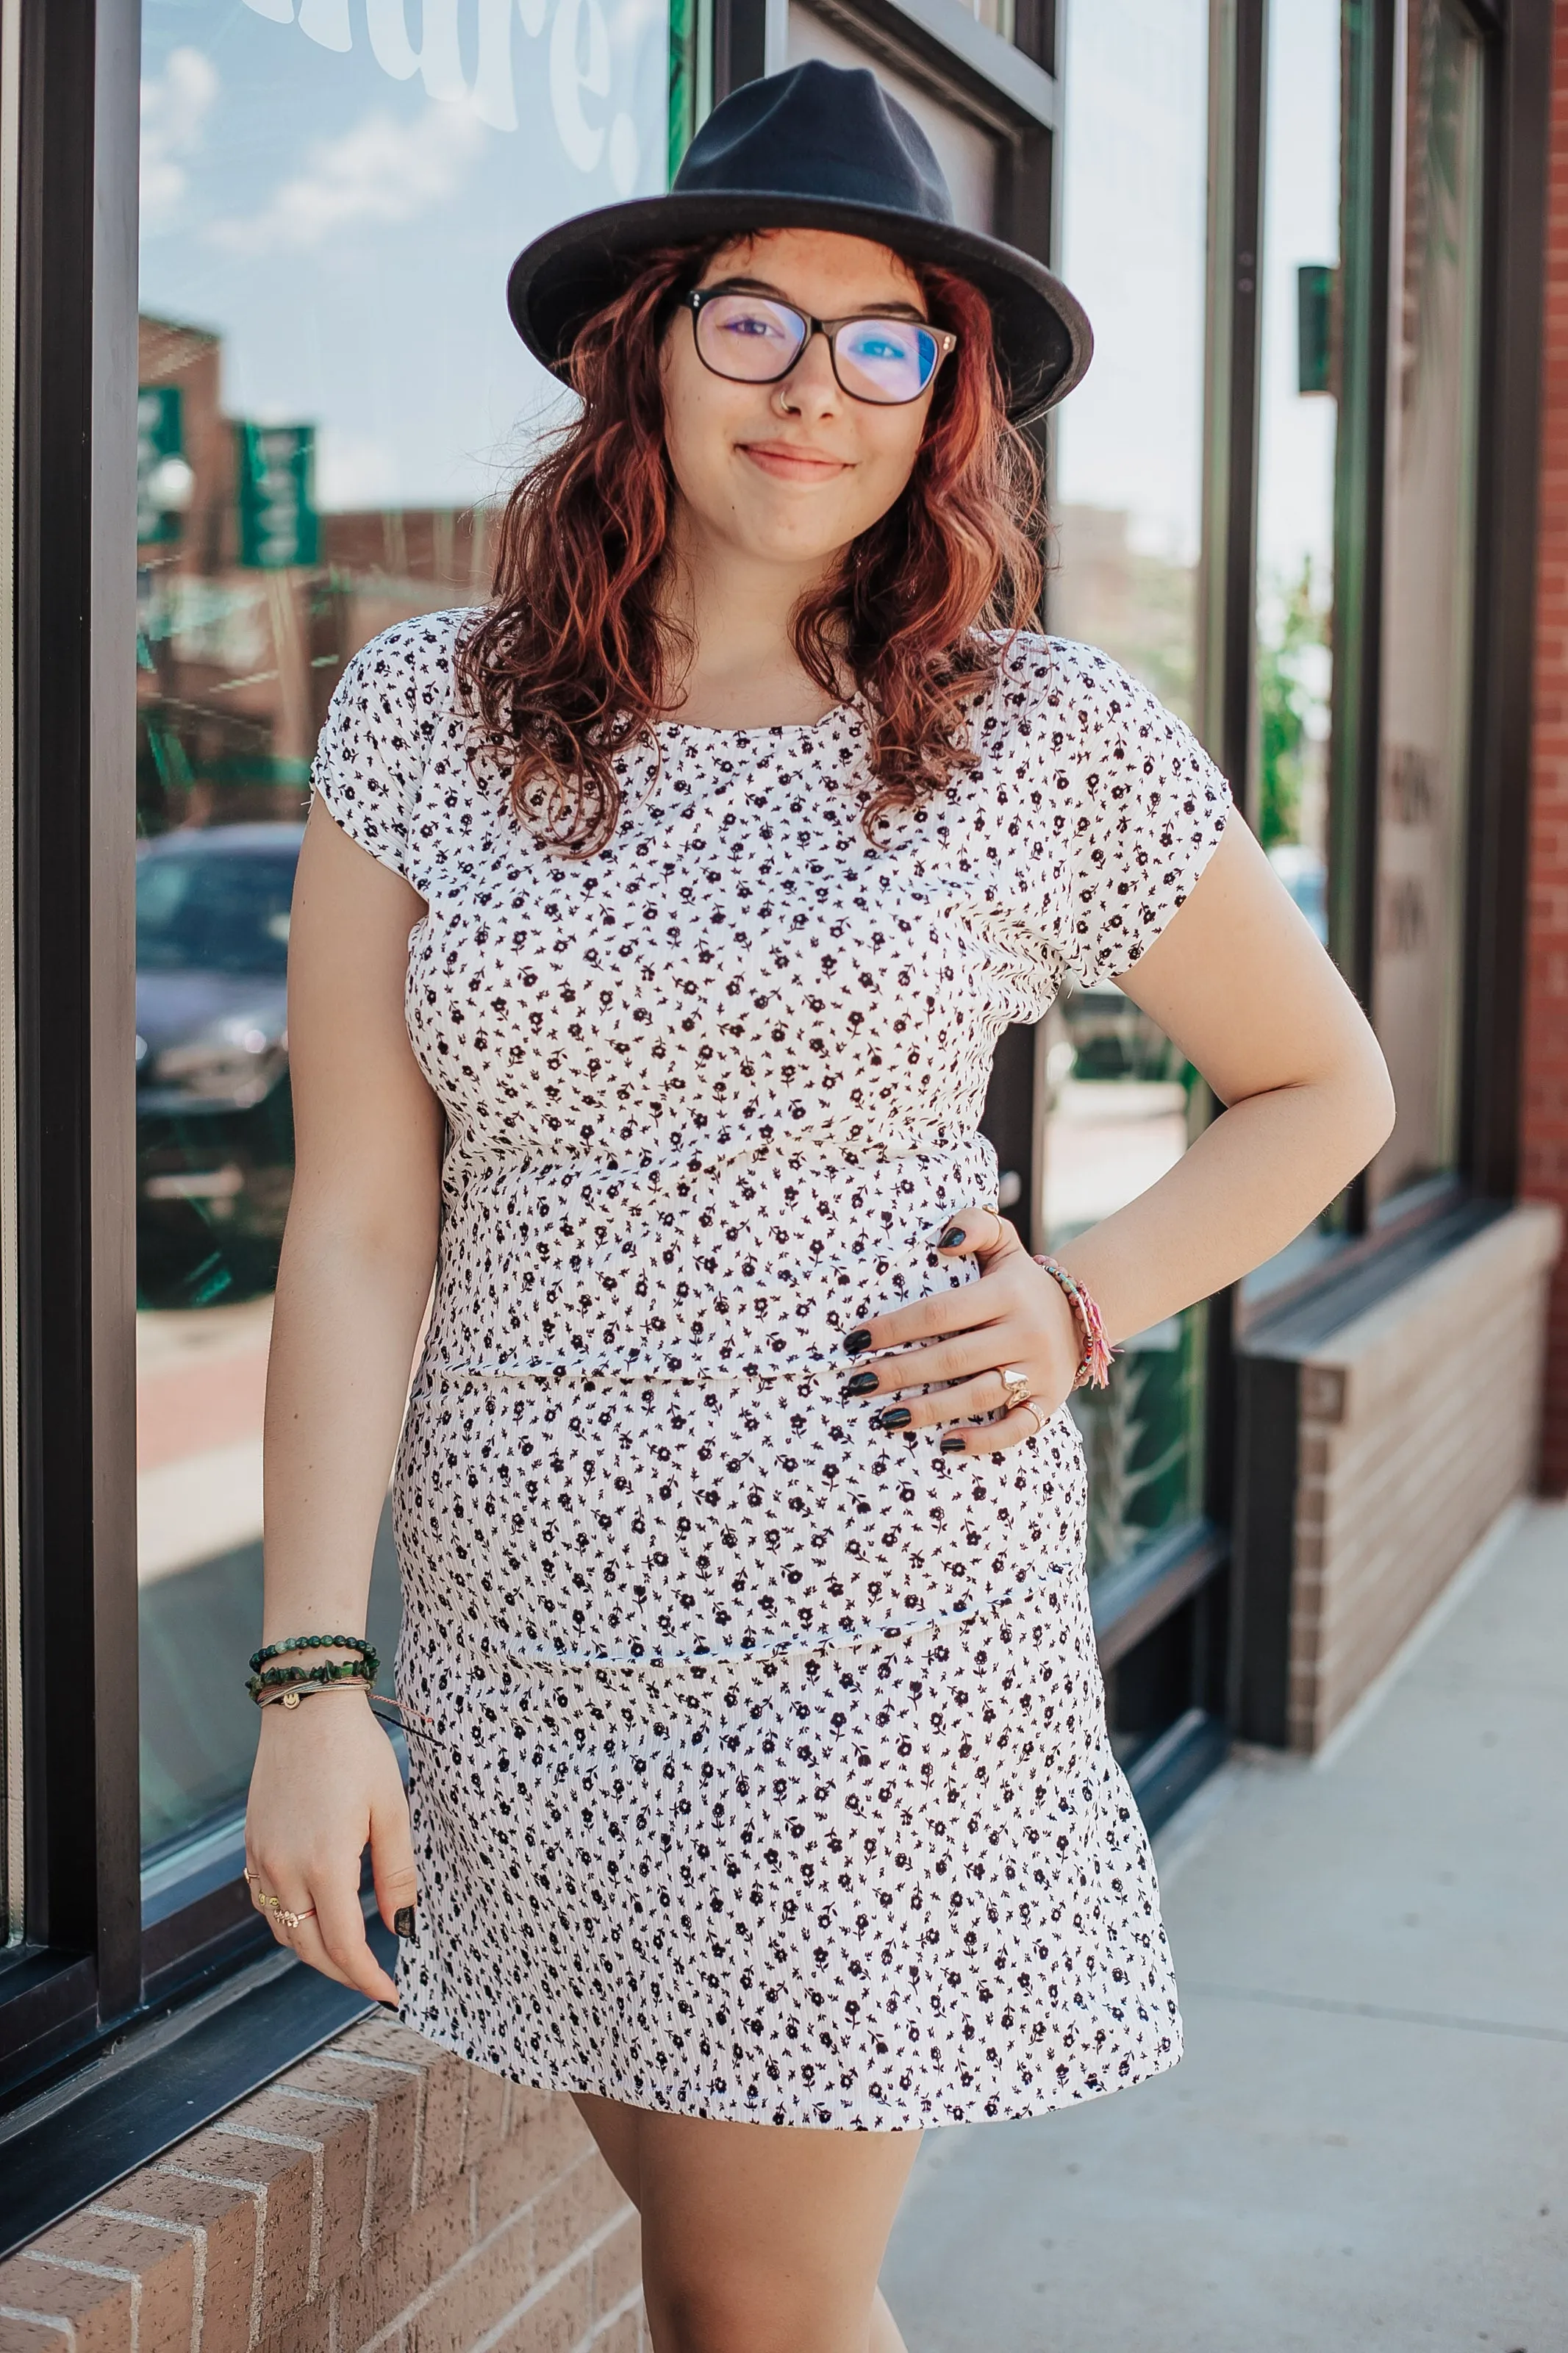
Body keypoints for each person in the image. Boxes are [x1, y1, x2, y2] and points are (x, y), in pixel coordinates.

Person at [243, 60, 1394, 2353]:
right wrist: (309, 1673)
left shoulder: (1026, 733)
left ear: (945, 402)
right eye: (758, 320)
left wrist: (1088, 1302)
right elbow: (360, 1222)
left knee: (760, 2305)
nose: (817, 389)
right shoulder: (423, 720)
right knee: (709, 2285)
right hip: (511, 1631)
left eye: (892, 343)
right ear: (644, 347)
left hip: (862, 1620)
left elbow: (1320, 1083)